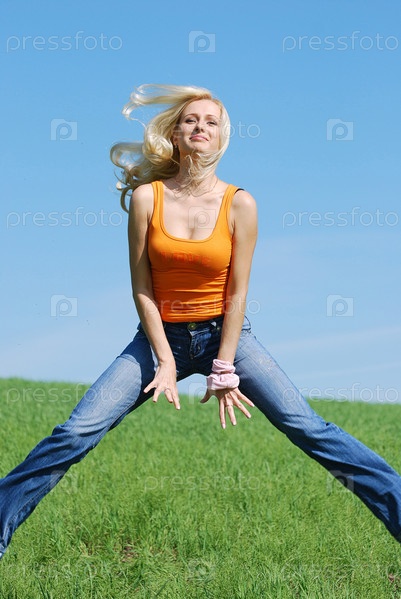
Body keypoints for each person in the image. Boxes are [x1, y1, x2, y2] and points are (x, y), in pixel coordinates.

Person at [1, 84, 400, 561]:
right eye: (191, 120)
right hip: (159, 337)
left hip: (225, 335)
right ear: (175, 132)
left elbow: (237, 293)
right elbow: (142, 288)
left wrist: (225, 364)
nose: (200, 127)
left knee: (309, 427)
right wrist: (165, 361)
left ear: (221, 137)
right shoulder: (147, 198)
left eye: (211, 122)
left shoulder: (240, 204)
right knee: (76, 431)